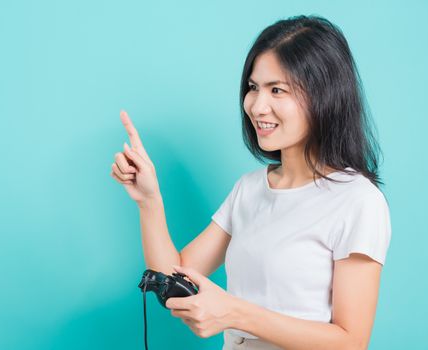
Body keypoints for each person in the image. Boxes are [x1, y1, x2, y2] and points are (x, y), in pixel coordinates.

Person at [111, 14, 391, 350]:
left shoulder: (357, 201)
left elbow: (351, 341)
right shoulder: (249, 189)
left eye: (277, 90)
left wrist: (235, 313)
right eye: (253, 88)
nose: (257, 106)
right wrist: (149, 202)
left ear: (324, 97)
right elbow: (174, 280)